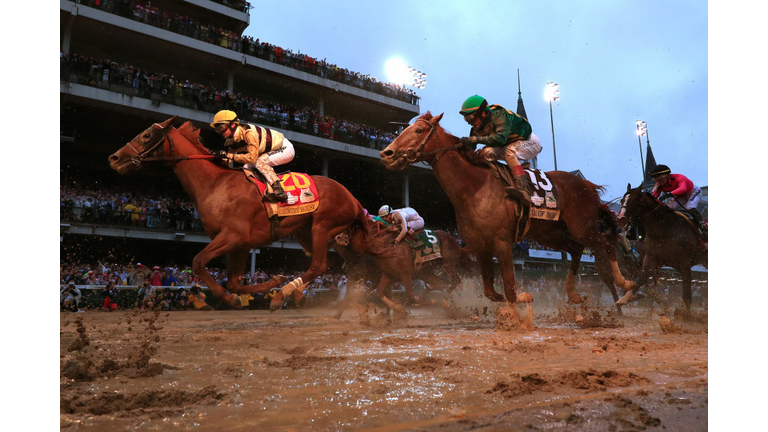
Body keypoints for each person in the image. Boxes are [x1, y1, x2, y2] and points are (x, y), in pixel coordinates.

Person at [457, 95, 542, 203]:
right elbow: (470, 149)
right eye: (466, 119)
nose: (469, 122)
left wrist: (474, 139)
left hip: (530, 142)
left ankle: (523, 189)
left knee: (509, 153)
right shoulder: (476, 128)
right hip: (509, 144)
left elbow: (500, 139)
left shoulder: (498, 114)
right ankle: (506, 178)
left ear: (482, 113)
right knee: (484, 154)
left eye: (471, 118)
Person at [210, 110, 295, 203]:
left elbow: (251, 158)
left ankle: (279, 190)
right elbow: (227, 162)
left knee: (259, 162)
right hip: (267, 152)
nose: (220, 132)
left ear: (233, 125)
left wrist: (229, 155)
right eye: (217, 129)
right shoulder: (230, 141)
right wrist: (217, 157)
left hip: (284, 148)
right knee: (245, 169)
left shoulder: (248, 133)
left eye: (222, 127)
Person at [650, 164, 707, 237]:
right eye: (656, 179)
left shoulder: (679, 177)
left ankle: (703, 227)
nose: (658, 181)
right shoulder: (658, 185)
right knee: (668, 208)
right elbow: (653, 196)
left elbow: (683, 189)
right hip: (680, 196)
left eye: (660, 178)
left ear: (668, 176)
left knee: (689, 207)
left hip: (693, 192)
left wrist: (669, 194)